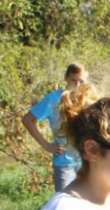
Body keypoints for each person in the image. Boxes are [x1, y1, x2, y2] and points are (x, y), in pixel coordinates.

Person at [22, 63, 88, 192]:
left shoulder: (88, 99)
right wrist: (46, 145)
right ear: (66, 78)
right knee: (64, 203)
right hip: (65, 162)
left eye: (82, 81)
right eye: (74, 80)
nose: (78, 85)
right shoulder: (54, 99)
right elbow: (27, 120)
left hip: (87, 161)